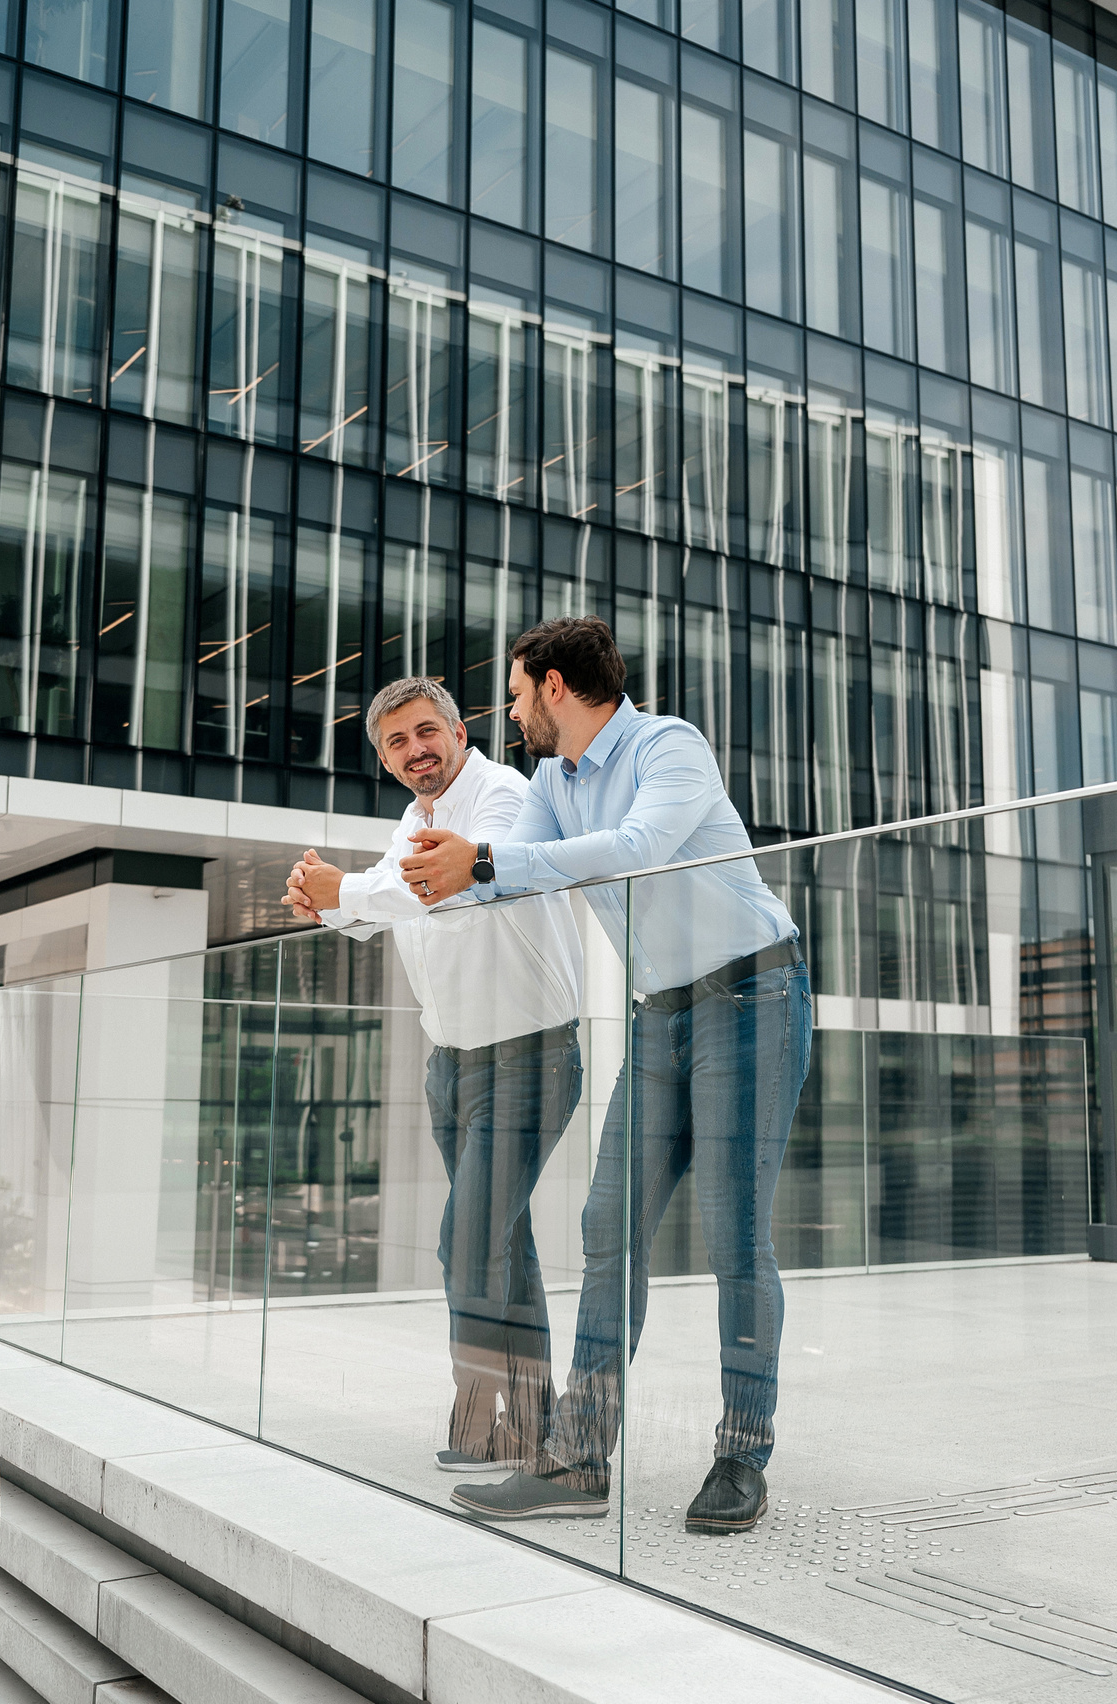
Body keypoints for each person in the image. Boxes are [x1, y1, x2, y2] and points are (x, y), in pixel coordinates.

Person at [398, 618, 810, 1536]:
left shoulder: (669, 745)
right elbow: (513, 878)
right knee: (607, 1224)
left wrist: (490, 861)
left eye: (513, 694)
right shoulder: (551, 781)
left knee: (732, 1234)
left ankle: (742, 1454)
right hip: (660, 1016)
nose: (509, 715)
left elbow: (635, 849)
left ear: (553, 687)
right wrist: (407, 880)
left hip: (754, 997)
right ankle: (580, 1460)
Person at [285, 676, 584, 1475]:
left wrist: (346, 892)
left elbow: (434, 887)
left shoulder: (504, 795)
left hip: (528, 1053)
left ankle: (479, 1410)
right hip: (453, 1063)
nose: (415, 751)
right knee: (501, 1244)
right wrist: (325, 901)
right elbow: (386, 907)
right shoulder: (410, 821)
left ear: (458, 730)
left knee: (468, 1241)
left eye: (426, 732)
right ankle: (526, 1422)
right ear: (384, 759)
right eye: (396, 742)